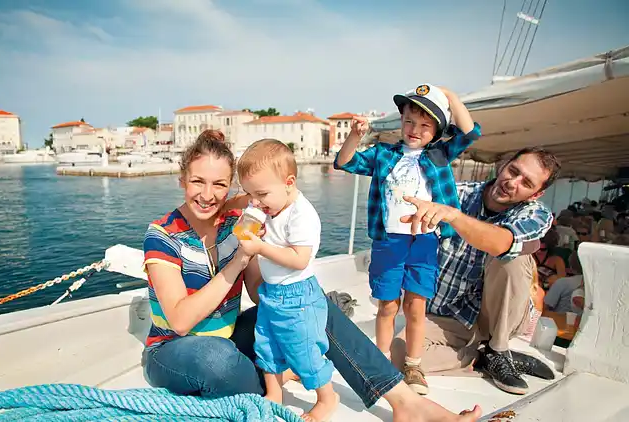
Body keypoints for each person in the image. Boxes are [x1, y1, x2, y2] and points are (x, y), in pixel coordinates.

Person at [142, 129, 481, 422]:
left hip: (230, 336)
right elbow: (180, 322)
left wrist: (271, 258)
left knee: (312, 303)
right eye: (197, 181)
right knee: (217, 359)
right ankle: (284, 372)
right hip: (174, 350)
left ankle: (405, 402)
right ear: (182, 180)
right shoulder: (163, 235)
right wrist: (239, 261)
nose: (207, 195)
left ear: (230, 187)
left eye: (219, 184)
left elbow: (258, 292)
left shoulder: (234, 223)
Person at [334, 84, 481, 395]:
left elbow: (470, 132)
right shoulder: (383, 154)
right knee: (387, 305)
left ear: (437, 130)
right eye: (409, 121)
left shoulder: (440, 153)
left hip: (424, 242)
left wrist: (451, 96)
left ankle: (414, 365)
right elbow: (345, 161)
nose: (415, 129)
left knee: (416, 307)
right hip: (389, 243)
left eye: (425, 125)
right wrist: (355, 136)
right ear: (401, 121)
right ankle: (382, 362)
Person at [390, 146, 561, 395]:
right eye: (513, 171)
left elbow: (500, 243)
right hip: (447, 315)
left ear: (536, 194)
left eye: (526, 183)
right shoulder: (457, 194)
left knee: (512, 256)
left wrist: (454, 217)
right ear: (504, 164)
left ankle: (498, 348)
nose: (512, 182)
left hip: (494, 315)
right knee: (400, 355)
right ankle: (481, 359)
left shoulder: (536, 214)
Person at [235, 139, 337, 421]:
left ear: (289, 183)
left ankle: (327, 397)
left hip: (299, 296)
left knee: (304, 350)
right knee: (265, 343)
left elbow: (299, 259)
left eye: (261, 194)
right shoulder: (271, 208)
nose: (255, 202)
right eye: (250, 194)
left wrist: (260, 247)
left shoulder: (301, 215)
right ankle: (274, 392)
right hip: (271, 293)